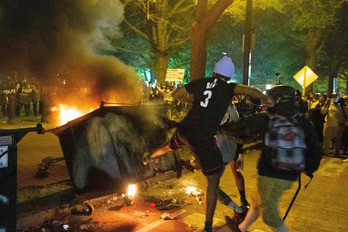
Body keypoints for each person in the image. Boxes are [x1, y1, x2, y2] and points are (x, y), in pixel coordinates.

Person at [150, 55, 272, 232]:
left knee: (168, 146)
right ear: (229, 76)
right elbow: (249, 90)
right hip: (203, 139)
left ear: (214, 71)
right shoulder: (229, 91)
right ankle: (208, 226)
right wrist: (265, 97)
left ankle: (146, 158)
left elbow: (176, 95)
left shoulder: (201, 82)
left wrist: (193, 102)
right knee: (213, 183)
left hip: (184, 130)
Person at [222, 85, 322, 232]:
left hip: (271, 174)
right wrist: (308, 168)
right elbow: (315, 148)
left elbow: (242, 127)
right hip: (289, 175)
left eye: (270, 99)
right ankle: (242, 228)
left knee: (269, 215)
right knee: (257, 200)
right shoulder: (302, 121)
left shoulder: (268, 118)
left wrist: (222, 128)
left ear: (279, 100)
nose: (266, 102)